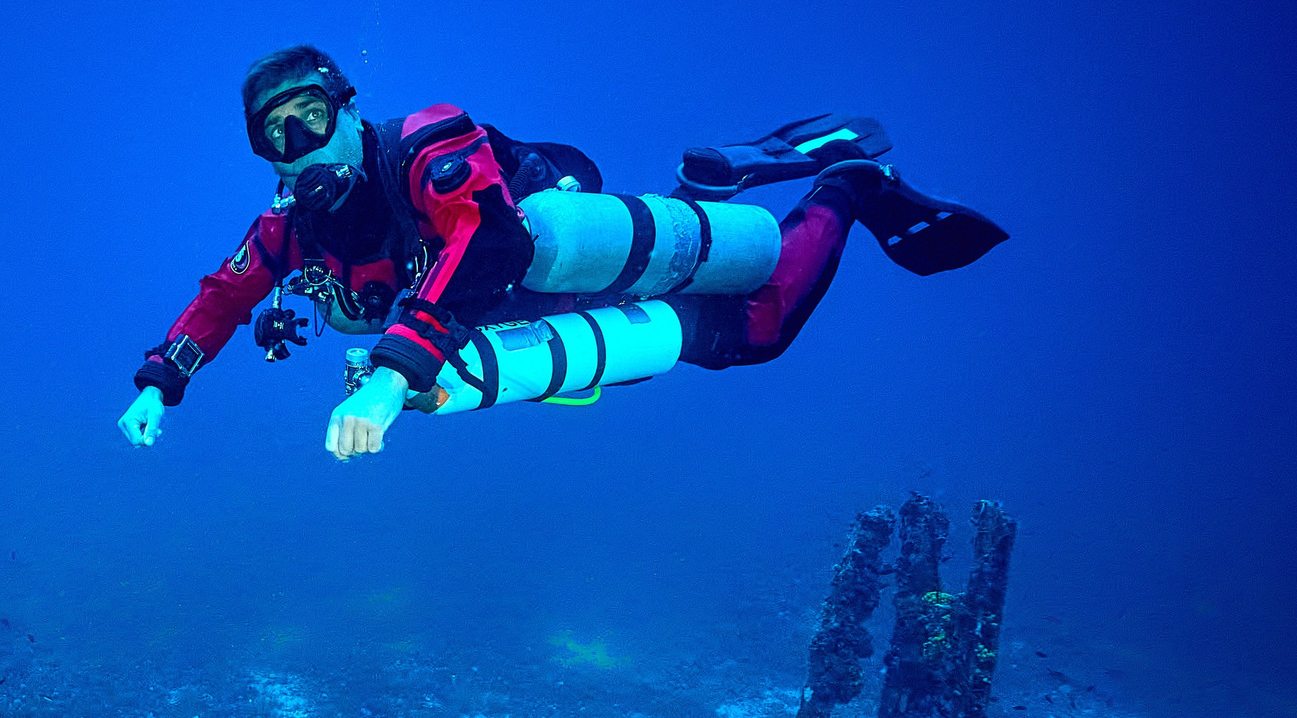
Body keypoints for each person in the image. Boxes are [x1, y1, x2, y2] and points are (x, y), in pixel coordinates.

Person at [116, 45, 1004, 460]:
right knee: (709, 330)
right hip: (519, 321)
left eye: (308, 118)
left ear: (348, 108)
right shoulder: (289, 231)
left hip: (553, 260)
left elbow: (486, 235)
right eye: (271, 136)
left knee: (757, 327)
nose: (296, 147)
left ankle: (846, 184)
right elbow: (223, 295)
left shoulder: (424, 143)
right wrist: (161, 382)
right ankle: (708, 189)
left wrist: (389, 377)